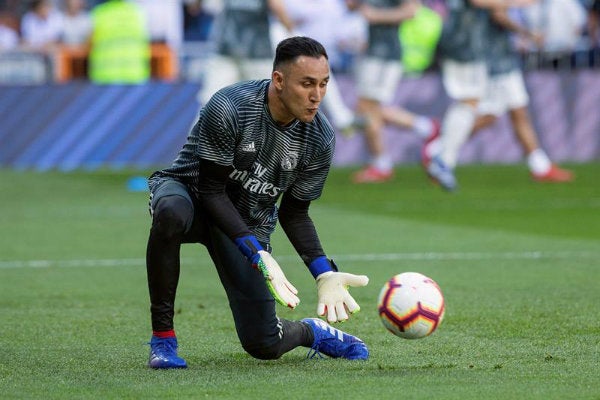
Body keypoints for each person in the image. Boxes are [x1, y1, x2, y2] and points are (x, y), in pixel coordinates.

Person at [145, 36, 370, 369]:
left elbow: (295, 214)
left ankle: (312, 332)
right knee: (170, 214)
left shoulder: (319, 138)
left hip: (248, 219)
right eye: (307, 84)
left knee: (265, 344)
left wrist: (324, 272)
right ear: (278, 81)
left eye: (323, 84)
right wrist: (256, 251)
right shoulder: (231, 107)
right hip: (190, 195)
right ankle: (163, 340)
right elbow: (210, 191)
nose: (316, 96)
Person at [425, 0, 535, 192]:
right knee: (469, 102)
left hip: (464, 45)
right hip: (463, 45)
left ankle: (442, 155)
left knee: (472, 103)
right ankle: (441, 155)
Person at [350, 0, 440, 184]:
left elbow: (411, 11)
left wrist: (376, 16)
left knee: (367, 108)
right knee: (368, 109)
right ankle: (426, 127)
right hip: (374, 51)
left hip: (385, 54)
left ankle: (381, 164)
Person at [269, 0, 365, 135]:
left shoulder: (331, 5)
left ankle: (342, 117)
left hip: (311, 50)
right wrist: (291, 26)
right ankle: (342, 117)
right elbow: (278, 10)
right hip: (274, 36)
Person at [197, 0, 294, 106]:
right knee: (265, 104)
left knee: (214, 103)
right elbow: (277, 8)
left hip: (246, 51)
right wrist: (291, 29)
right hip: (239, 52)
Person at [88, 0, 150, 84]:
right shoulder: (138, 12)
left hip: (105, 75)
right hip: (134, 74)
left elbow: (88, 42)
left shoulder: (100, 13)